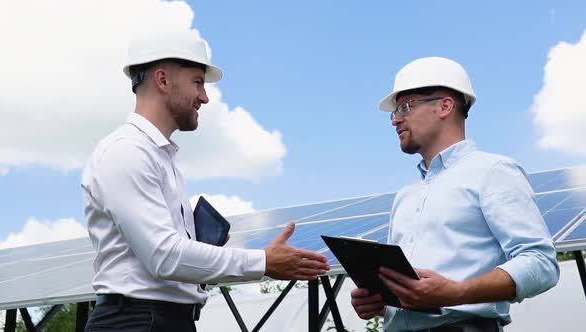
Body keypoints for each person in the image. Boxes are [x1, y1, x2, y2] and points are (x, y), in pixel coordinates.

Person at [81, 29, 329, 332]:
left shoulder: (159, 157)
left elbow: (168, 258)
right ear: (162, 80)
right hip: (135, 322)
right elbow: (165, 256)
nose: (205, 97)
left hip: (163, 320)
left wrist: (203, 251)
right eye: (197, 82)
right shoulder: (126, 152)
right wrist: (263, 261)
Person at [350, 57, 559, 332]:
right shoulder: (405, 196)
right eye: (395, 111)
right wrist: (380, 301)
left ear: (444, 106)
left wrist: (456, 292)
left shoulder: (493, 171)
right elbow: (412, 286)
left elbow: (541, 263)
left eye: (406, 107)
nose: (396, 119)